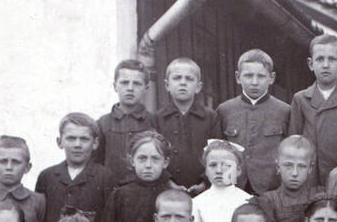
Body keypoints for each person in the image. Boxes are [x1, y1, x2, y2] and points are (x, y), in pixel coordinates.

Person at [33, 113, 114, 222]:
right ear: (60, 141)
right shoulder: (47, 176)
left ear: (95, 143)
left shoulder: (105, 177)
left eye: (84, 139)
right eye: (71, 138)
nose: (77, 144)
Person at [289, 33, 337, 185]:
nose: (326, 65)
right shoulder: (300, 99)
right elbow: (294, 143)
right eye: (320, 59)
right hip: (309, 177)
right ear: (310, 64)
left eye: (332, 59)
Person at [217, 48, 291, 194]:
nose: (254, 82)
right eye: (248, 76)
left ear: (272, 78)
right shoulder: (225, 110)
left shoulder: (284, 111)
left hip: (271, 189)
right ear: (238, 77)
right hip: (233, 187)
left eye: (261, 76)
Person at [154, 58, 222, 194]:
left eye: (189, 79)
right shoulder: (157, 118)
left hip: (204, 190)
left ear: (198, 87)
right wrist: (168, 182)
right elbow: (155, 153)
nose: (183, 83)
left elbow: (217, 154)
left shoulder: (210, 117)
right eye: (177, 78)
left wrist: (204, 182)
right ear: (167, 85)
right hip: (166, 189)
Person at [92, 59, 159, 185]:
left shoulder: (154, 122)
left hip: (145, 190)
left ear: (146, 87)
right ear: (115, 86)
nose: (130, 88)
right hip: (110, 191)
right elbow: (95, 163)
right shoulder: (102, 124)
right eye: (124, 82)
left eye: (137, 84)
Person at [190, 140, 253, 222]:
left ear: (238, 170)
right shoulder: (197, 203)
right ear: (206, 171)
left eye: (227, 165)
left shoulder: (248, 201)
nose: (219, 170)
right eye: (213, 165)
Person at [256, 136, 317, 222]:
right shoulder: (268, 200)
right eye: (288, 165)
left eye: (301, 166)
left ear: (310, 168)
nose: (294, 173)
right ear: (278, 166)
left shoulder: (317, 198)